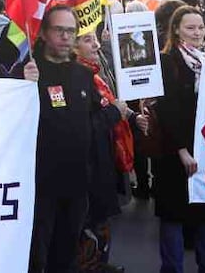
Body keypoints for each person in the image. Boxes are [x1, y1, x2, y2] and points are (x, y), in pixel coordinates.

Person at [20, 5, 111, 273]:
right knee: (35, 258)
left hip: (76, 184)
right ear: (44, 33)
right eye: (59, 30)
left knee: (67, 255)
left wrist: (125, 115)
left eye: (70, 31)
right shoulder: (28, 71)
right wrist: (22, 84)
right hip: (39, 185)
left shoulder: (83, 75)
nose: (65, 36)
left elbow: (96, 118)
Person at [154, 6, 205, 273]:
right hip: (175, 152)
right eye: (190, 28)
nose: (197, 33)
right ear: (176, 30)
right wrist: (182, 150)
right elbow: (167, 109)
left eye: (200, 27)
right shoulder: (167, 62)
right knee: (173, 217)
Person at [73, 29, 148, 273]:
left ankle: (100, 263)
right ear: (73, 47)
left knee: (101, 222)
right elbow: (87, 124)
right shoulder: (75, 78)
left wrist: (133, 117)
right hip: (90, 167)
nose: (96, 44)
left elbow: (112, 102)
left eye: (95, 38)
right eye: (88, 40)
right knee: (90, 224)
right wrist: (115, 112)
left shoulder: (95, 73)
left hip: (108, 158)